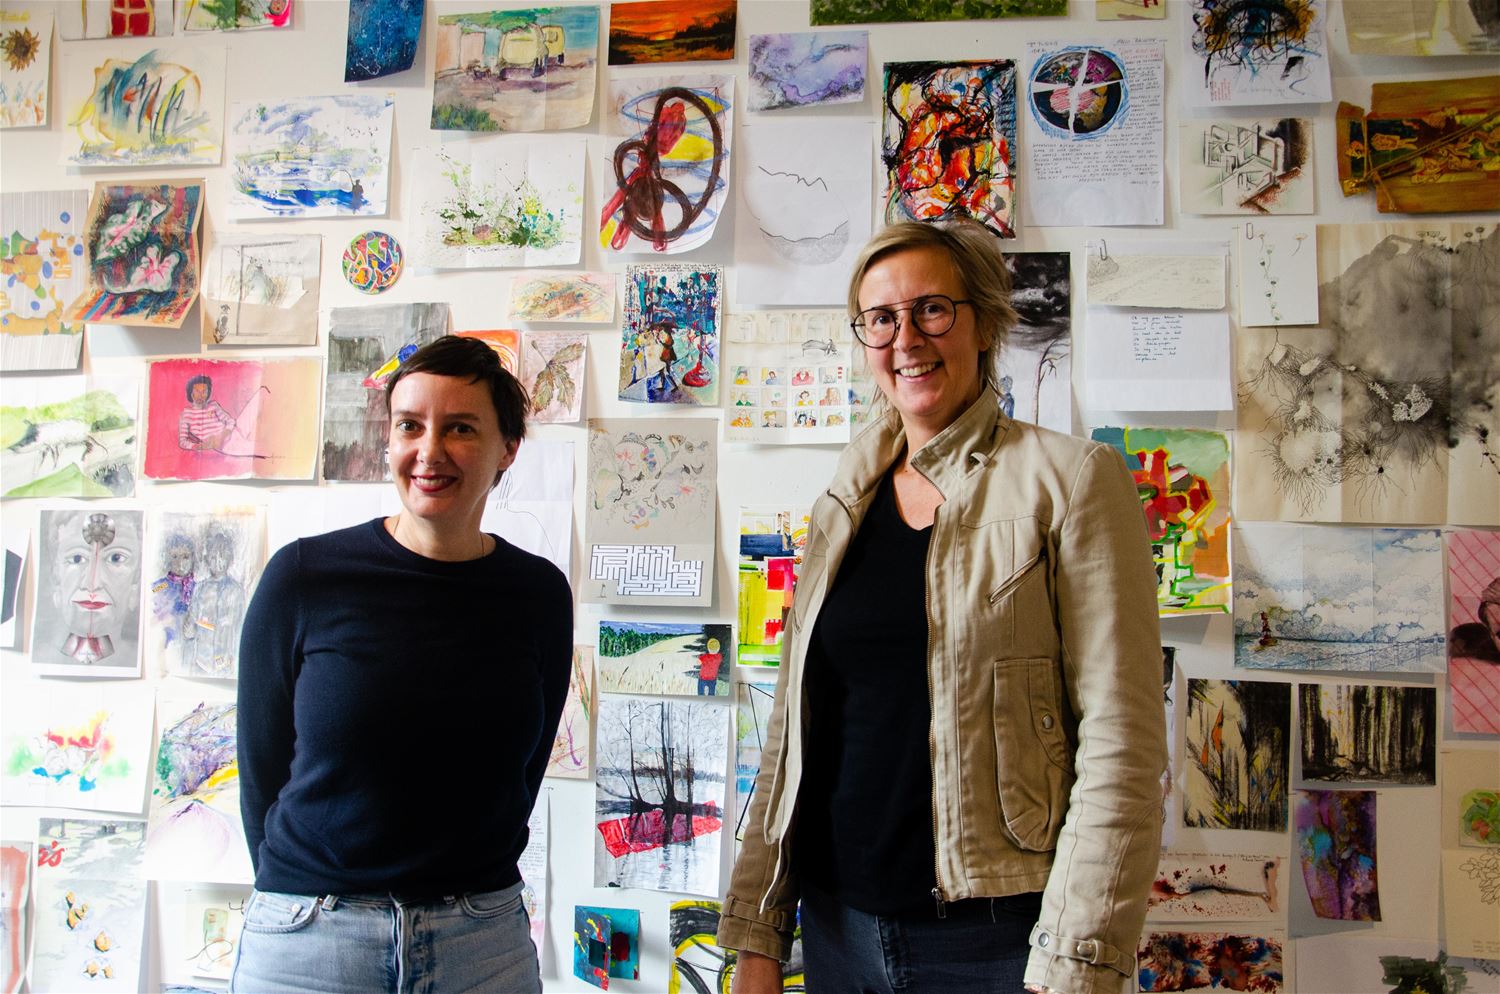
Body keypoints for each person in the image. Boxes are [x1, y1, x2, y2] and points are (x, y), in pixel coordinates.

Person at [720, 221, 1165, 994]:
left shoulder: (1070, 481)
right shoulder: (843, 501)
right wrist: (758, 931)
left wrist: (1076, 961)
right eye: (881, 318)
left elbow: (1122, 743)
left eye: (931, 309)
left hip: (996, 941)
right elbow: (791, 736)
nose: (906, 339)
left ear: (985, 323)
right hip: (836, 930)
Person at [233, 335, 573, 994]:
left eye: (461, 428)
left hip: (481, 941)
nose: (429, 451)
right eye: (410, 426)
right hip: (313, 940)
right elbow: (261, 769)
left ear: (508, 448)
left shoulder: (538, 594)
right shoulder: (304, 577)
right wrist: (297, 897)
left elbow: (523, 773)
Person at [179, 375, 236, 451]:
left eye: (204, 392)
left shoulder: (213, 406)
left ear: (208, 393)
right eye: (197, 391)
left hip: (231, 437)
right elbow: (182, 441)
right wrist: (199, 447)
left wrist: (222, 436)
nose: (200, 395)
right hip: (218, 447)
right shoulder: (186, 414)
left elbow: (231, 421)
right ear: (191, 393)